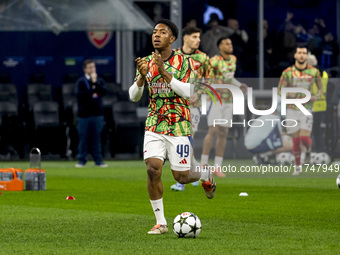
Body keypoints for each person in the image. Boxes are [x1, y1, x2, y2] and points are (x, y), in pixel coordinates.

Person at [128, 19, 216, 235]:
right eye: (154, 32)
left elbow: (189, 92)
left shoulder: (185, 62)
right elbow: (133, 96)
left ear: (172, 38)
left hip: (178, 125)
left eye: (162, 32)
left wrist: (164, 72)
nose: (156, 35)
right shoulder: (145, 62)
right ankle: (161, 223)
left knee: (181, 177)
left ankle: (205, 174)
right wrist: (140, 77)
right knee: (152, 168)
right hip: (154, 123)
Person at [201, 37, 247, 177]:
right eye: (227, 43)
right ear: (220, 46)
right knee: (213, 130)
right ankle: (204, 163)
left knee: (224, 132)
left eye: (231, 43)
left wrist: (239, 85)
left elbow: (229, 78)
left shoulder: (233, 59)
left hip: (228, 100)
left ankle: (217, 166)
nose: (230, 45)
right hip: (215, 100)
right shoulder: (214, 61)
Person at [171, 26, 210, 191]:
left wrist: (198, 93)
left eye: (199, 37)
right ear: (185, 38)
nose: (198, 40)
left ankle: (182, 179)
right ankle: (201, 171)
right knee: (180, 140)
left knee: (186, 138)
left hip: (193, 106)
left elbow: (208, 81)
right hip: (174, 105)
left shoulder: (203, 58)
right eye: (194, 37)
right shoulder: (174, 55)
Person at [278, 46, 322, 175]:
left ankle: (308, 150)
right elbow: (280, 90)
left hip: (306, 109)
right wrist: (289, 94)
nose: (302, 55)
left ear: (307, 56)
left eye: (304, 53)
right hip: (292, 109)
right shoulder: (287, 72)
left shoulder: (314, 72)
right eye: (299, 53)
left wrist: (315, 96)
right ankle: (298, 166)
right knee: (296, 140)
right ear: (295, 55)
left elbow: (320, 89)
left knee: (304, 138)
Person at [75, 59, 107, 167]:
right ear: (84, 69)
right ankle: (81, 160)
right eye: (89, 67)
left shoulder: (99, 81)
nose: (92, 69)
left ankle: (98, 160)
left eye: (93, 67)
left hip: (97, 114)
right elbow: (81, 96)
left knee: (97, 138)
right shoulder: (80, 82)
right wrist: (93, 91)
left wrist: (94, 83)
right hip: (84, 115)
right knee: (83, 138)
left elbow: (102, 92)